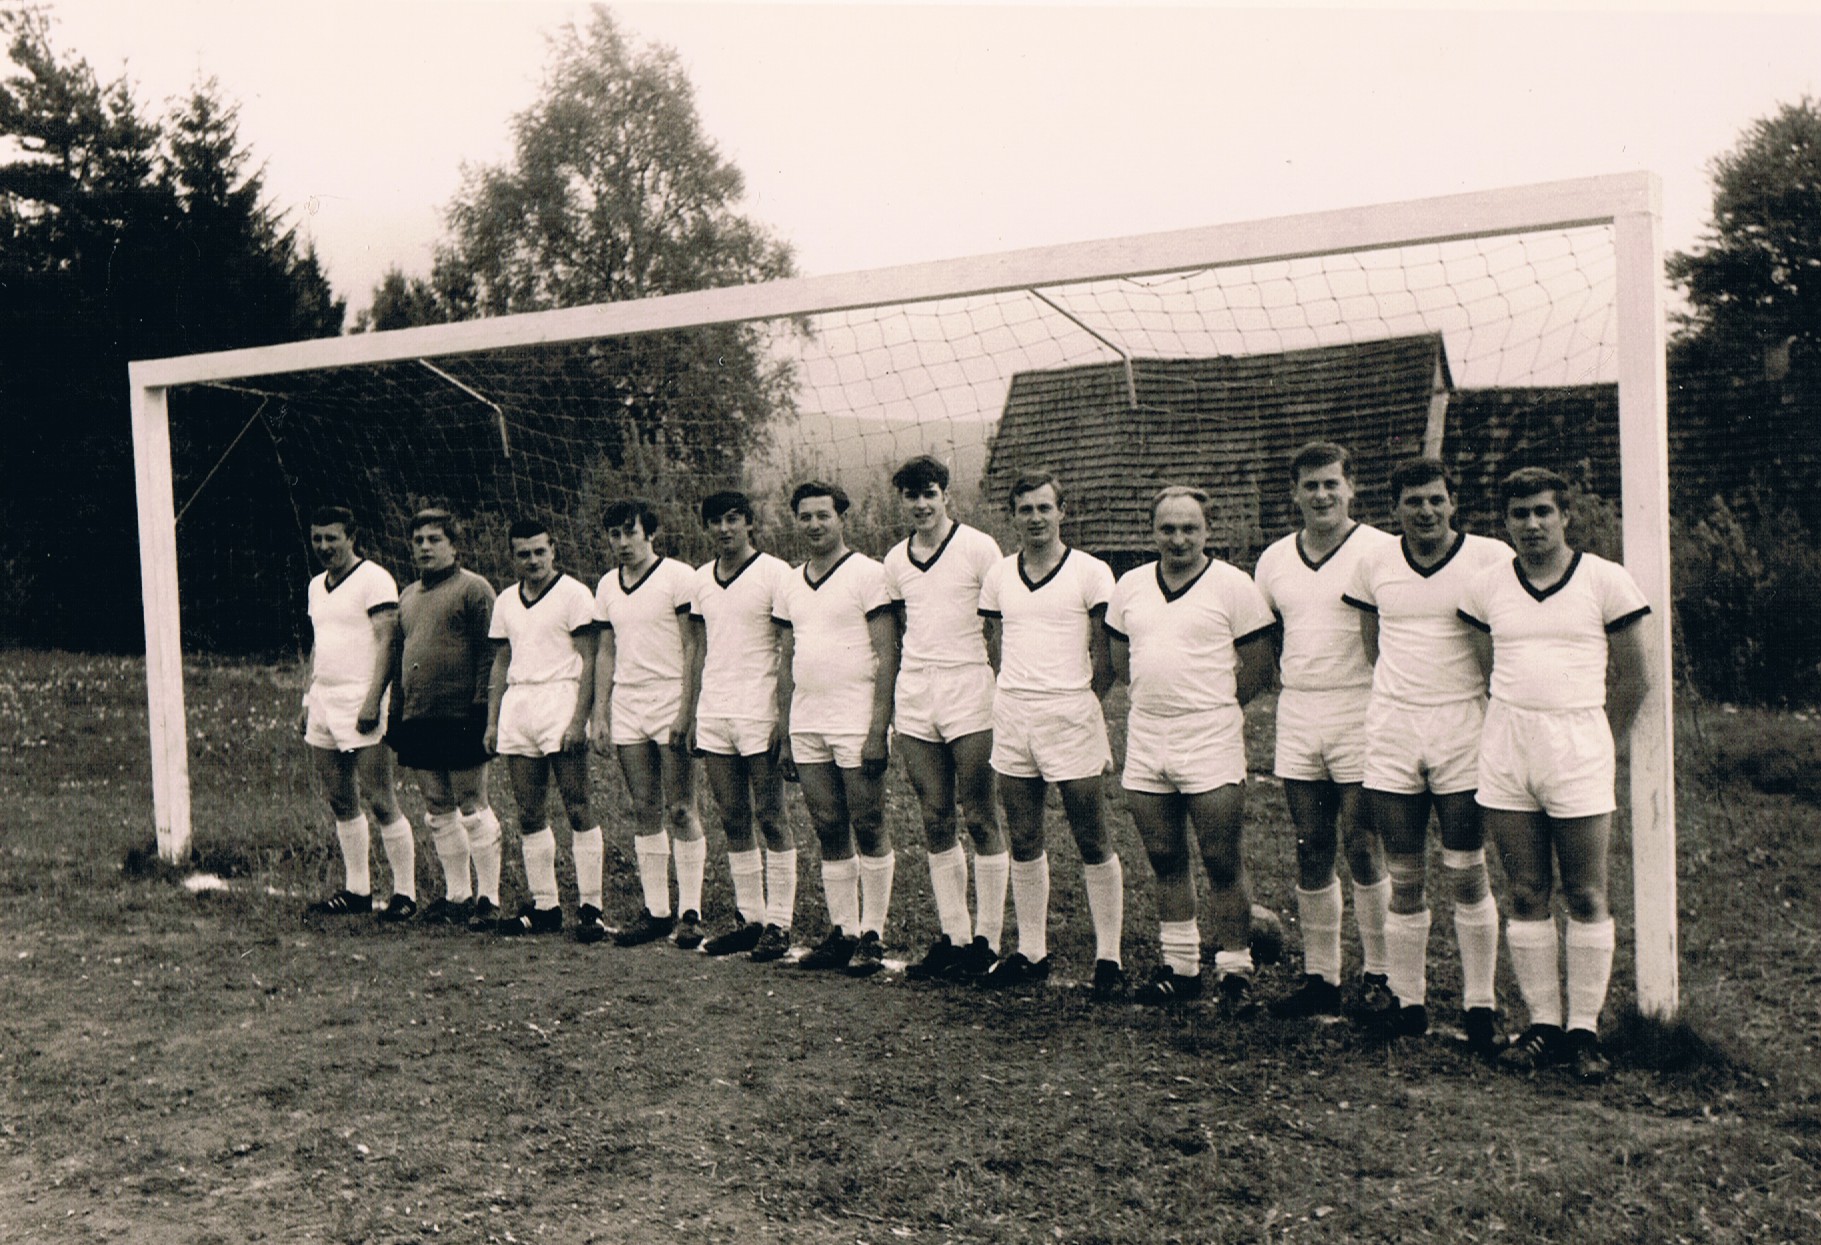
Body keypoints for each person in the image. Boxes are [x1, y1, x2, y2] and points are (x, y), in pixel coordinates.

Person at [1458, 467, 1650, 1083]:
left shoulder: (1604, 579)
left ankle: (1584, 1031)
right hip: (1509, 746)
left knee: (1587, 892)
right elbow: (1490, 670)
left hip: (1578, 745)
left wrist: (1596, 744)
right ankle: (1543, 1024)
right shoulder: (1488, 587)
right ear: (1505, 522)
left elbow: (1634, 679)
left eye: (1543, 511)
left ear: (1565, 515)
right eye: (1520, 514)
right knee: (1525, 891)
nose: (1532, 524)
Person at [1341, 461, 1509, 1053]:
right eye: (1413, 501)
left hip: (1461, 723)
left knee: (1467, 869)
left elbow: (1495, 645)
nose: (1426, 511)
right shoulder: (1375, 562)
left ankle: (1480, 1005)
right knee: (1405, 874)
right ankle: (1408, 1002)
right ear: (1395, 509)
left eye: (1436, 500)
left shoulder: (1489, 558)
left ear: (1453, 503)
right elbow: (1373, 645)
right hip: (1395, 726)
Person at [1107, 486, 1278, 1015]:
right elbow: (1122, 661)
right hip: (1148, 735)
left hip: (1209, 735)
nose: (1178, 539)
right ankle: (1180, 967)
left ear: (1208, 530)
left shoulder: (1234, 585)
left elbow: (1259, 668)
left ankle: (1235, 969)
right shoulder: (1131, 585)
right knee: (1165, 856)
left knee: (1222, 857)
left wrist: (1210, 706)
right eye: (1167, 528)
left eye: (1189, 528)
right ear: (1152, 531)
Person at [1255, 442, 1398, 1021]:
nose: (1321, 495)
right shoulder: (1274, 559)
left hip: (1361, 707)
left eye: (1331, 484)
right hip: (1300, 709)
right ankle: (1321, 977)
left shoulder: (1381, 550)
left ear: (1351, 487)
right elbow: (1267, 636)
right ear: (1294, 493)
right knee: (1311, 845)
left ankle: (1381, 975)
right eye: (1310, 485)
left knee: (1363, 843)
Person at [977, 469, 1127, 998]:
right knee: (1023, 836)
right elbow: (996, 640)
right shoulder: (999, 574)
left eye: (1045, 507)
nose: (1036, 518)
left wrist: (1082, 700)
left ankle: (1109, 957)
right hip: (1015, 714)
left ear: (1063, 511)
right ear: (1013, 516)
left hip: (1070, 712)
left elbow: (1106, 654)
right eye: (1026, 509)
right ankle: (1032, 951)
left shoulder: (1091, 572)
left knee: (1091, 835)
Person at [881, 456, 1009, 982]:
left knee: (979, 816)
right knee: (935, 815)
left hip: (968, 685)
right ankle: (954, 936)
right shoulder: (895, 559)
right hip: (917, 690)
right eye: (911, 496)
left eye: (929, 493)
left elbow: (999, 629)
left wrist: (1001, 690)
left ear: (946, 495)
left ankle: (988, 942)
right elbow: (897, 631)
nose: (921, 505)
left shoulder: (979, 548)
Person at [773, 480, 900, 976]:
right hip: (808, 719)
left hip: (854, 716)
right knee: (828, 824)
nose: (814, 525)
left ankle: (873, 933)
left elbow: (887, 654)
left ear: (841, 518)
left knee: (867, 822)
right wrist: (787, 732)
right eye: (805, 517)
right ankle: (843, 930)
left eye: (823, 515)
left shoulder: (868, 574)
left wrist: (878, 729)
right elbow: (787, 659)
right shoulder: (790, 582)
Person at [589, 499, 707, 949]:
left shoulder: (678, 577)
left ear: (650, 533)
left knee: (681, 808)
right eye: (614, 534)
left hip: (669, 696)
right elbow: (606, 650)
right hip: (629, 703)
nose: (622, 542)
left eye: (630, 532)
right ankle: (657, 911)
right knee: (644, 808)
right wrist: (600, 712)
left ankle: (691, 912)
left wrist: (686, 709)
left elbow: (692, 645)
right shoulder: (607, 585)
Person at [686, 491, 798, 962]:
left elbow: (790, 649)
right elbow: (698, 649)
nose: (724, 529)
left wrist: (784, 719)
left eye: (733, 519)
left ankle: (780, 924)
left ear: (750, 523)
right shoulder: (700, 579)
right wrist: (692, 712)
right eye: (716, 521)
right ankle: (750, 919)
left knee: (771, 816)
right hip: (716, 710)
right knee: (732, 817)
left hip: (759, 708)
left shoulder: (775, 573)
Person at [483, 518, 602, 939]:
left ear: (554, 550)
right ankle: (546, 905)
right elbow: (501, 661)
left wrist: (579, 719)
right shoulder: (505, 601)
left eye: (539, 552)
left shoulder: (574, 594)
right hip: (520, 703)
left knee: (577, 804)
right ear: (512, 557)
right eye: (523, 554)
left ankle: (591, 907)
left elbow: (590, 659)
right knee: (529, 810)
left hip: (561, 698)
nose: (533, 560)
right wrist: (493, 720)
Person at [388, 508, 504, 930]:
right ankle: (458, 895)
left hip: (463, 712)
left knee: (472, 805)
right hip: (421, 714)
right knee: (438, 805)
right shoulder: (407, 596)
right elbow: (401, 656)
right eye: (418, 540)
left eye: (434, 539)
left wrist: (482, 708)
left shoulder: (474, 589)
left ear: (454, 546)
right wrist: (397, 711)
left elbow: (491, 653)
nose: (425, 547)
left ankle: (489, 899)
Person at [299, 505, 417, 921]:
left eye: (332, 538)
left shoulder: (374, 579)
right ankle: (357, 891)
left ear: (352, 538)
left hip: (362, 699)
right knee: (340, 798)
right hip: (324, 699)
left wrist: (373, 700)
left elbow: (387, 642)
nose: (324, 546)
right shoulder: (316, 586)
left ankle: (405, 893)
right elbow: (320, 644)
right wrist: (308, 699)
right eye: (317, 538)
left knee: (381, 799)